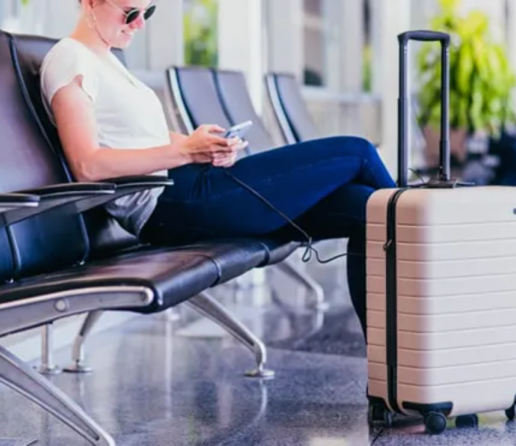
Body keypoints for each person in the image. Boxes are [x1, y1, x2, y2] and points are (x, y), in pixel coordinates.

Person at [39, 0, 396, 336]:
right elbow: (88, 164)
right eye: (130, 12)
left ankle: (389, 372)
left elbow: (138, 137)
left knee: (365, 208)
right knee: (357, 151)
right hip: (169, 202)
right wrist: (185, 153)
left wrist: (198, 145)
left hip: (191, 184)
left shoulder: (108, 61)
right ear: (88, 2)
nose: (138, 25)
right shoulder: (70, 58)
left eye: (147, 12)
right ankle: (433, 253)